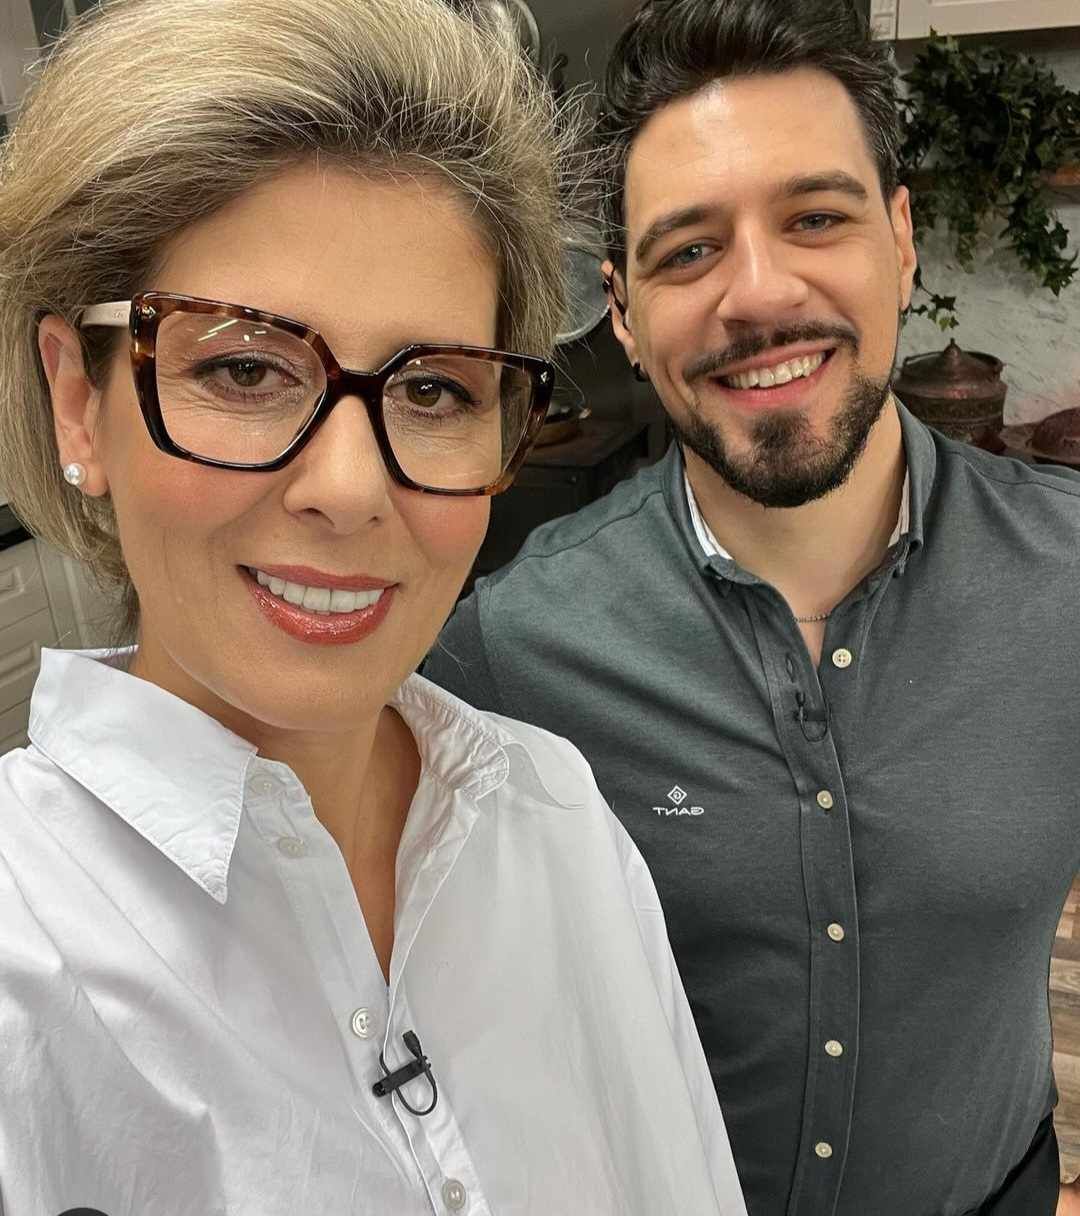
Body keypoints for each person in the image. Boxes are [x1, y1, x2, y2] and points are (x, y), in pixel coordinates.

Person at [0, 1, 748, 1212]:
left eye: (437, 389)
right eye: (244, 367)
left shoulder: (551, 811)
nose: (349, 489)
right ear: (78, 403)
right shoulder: (24, 962)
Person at [424, 1, 1080, 1213]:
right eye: (688, 251)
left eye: (816, 218)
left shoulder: (1067, 576)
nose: (759, 293)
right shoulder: (507, 650)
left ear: (900, 239)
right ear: (623, 313)